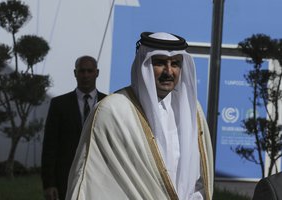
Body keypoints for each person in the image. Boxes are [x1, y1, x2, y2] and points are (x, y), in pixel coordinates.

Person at [66, 32, 214, 200]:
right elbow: (89, 179)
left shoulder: (192, 110)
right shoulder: (113, 110)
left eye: (175, 64)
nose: (169, 71)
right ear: (143, 64)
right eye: (159, 63)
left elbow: (199, 180)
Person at [41, 55, 107, 200]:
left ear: (97, 73)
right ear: (75, 73)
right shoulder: (59, 105)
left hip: (101, 177)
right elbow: (50, 146)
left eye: (90, 71)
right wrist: (49, 183)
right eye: (82, 71)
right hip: (66, 177)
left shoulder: (108, 103)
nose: (86, 75)